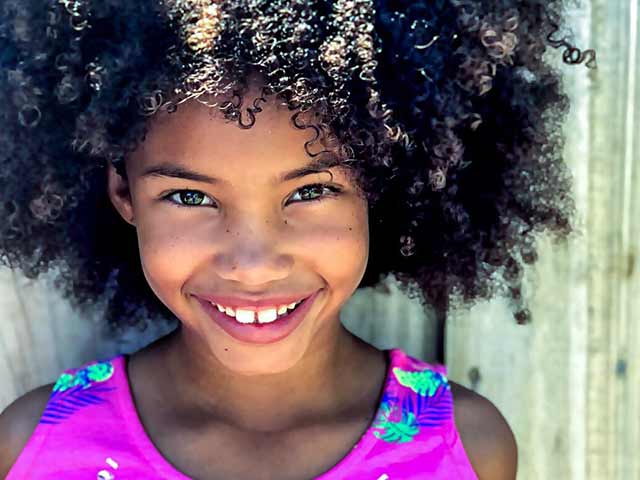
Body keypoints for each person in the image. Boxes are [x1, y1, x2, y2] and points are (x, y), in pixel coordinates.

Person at [0, 0, 595, 478]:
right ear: (124, 194)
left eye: (309, 192)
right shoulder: (34, 448)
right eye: (190, 197)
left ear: (380, 181)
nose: (253, 264)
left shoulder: (465, 447)